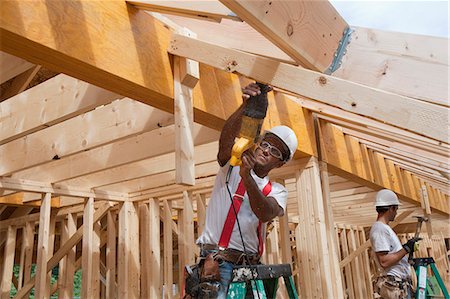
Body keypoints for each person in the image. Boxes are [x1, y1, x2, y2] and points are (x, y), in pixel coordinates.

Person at [185, 83, 298, 298]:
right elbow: (226, 141)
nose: (266, 150)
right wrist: (244, 107)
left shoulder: (277, 191)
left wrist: (247, 178)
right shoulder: (232, 167)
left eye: (275, 151)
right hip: (218, 264)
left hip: (250, 267)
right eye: (265, 144)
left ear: (281, 163)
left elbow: (264, 212)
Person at [370, 189, 420, 299]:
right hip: (394, 286)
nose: (396, 212)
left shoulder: (384, 228)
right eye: (396, 209)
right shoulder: (380, 229)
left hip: (398, 285)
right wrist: (406, 248)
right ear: (391, 208)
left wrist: (406, 248)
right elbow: (384, 261)